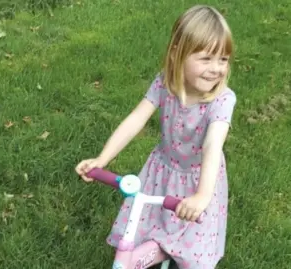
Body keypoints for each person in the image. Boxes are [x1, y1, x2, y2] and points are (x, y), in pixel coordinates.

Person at [75, 4, 237, 269]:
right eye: (206, 59)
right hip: (161, 172)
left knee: (192, 252)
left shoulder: (222, 100)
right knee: (146, 232)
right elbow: (136, 120)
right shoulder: (165, 83)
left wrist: (202, 197)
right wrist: (101, 159)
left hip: (199, 179)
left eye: (223, 59)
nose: (216, 68)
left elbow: (212, 144)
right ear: (177, 55)